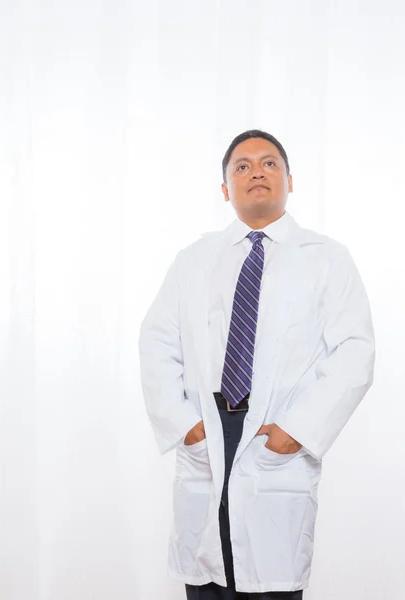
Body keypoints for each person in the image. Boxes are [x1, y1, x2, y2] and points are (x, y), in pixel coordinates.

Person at [138, 129, 375, 599]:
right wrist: (186, 425)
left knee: (269, 583)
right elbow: (157, 341)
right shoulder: (194, 260)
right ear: (226, 190)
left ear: (289, 180)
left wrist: (299, 429)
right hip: (209, 426)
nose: (256, 173)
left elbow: (354, 351)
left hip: (276, 430)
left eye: (269, 163)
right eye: (241, 167)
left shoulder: (327, 259)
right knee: (209, 578)